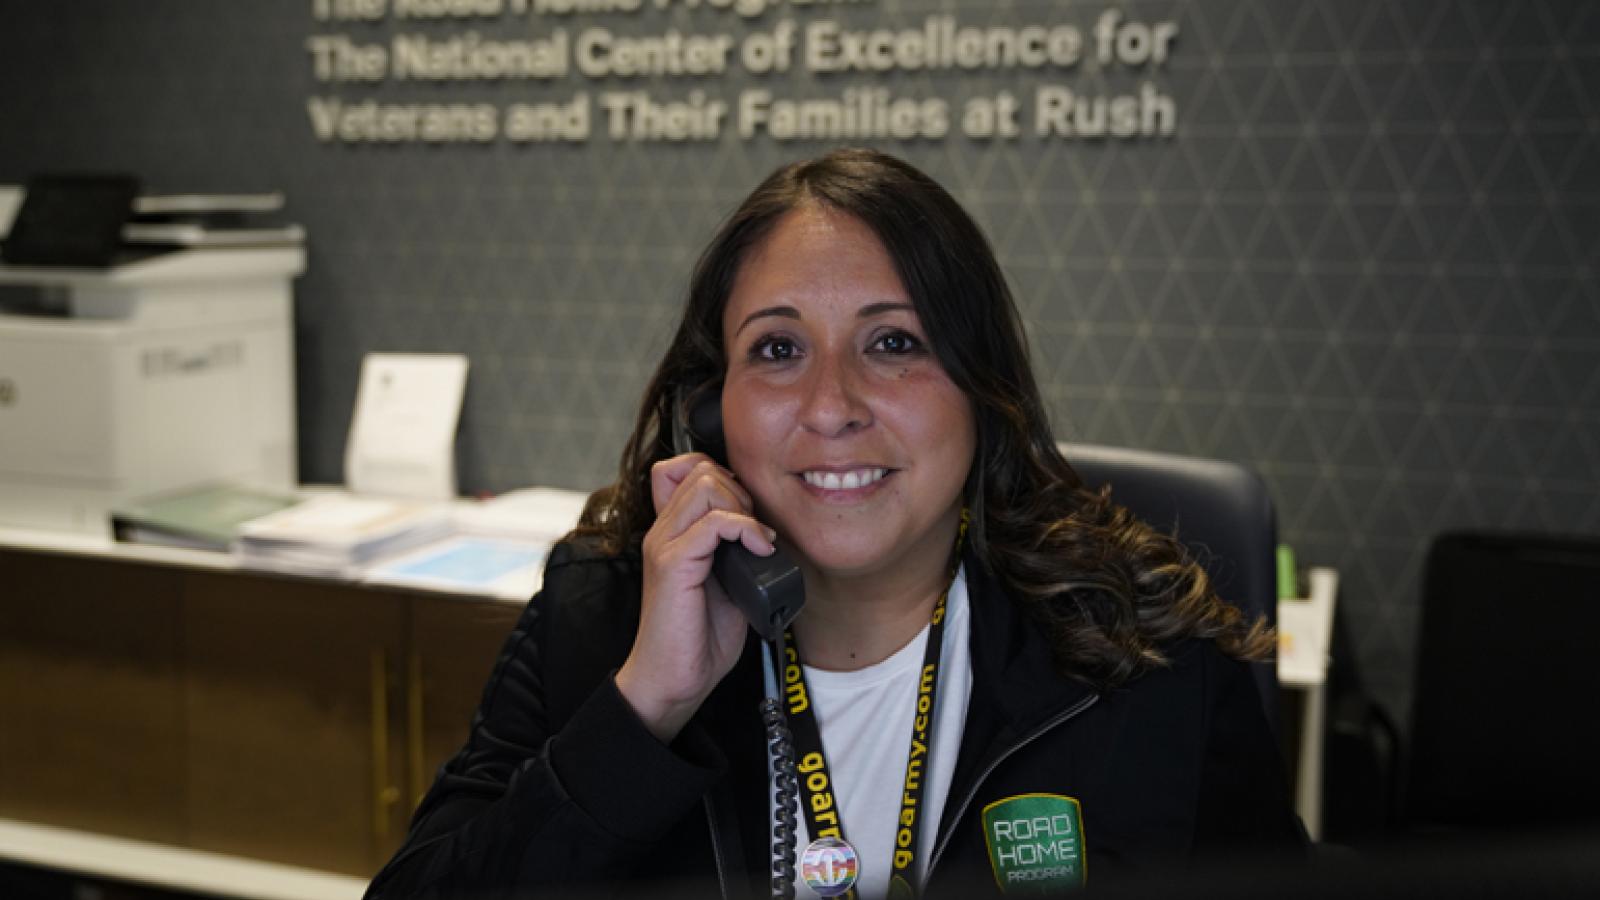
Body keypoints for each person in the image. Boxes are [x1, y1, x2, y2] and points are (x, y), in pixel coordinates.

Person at [365, 148, 1304, 900]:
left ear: (984, 390)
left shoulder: (1144, 665)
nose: (830, 406)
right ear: (708, 413)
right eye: (777, 349)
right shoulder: (598, 622)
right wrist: (645, 708)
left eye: (893, 343)